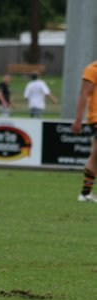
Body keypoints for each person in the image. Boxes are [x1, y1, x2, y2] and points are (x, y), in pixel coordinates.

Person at [72, 61, 97, 202]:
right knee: (95, 156)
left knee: (95, 156)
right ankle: (85, 193)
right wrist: (78, 119)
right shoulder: (92, 69)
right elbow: (83, 94)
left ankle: (85, 193)